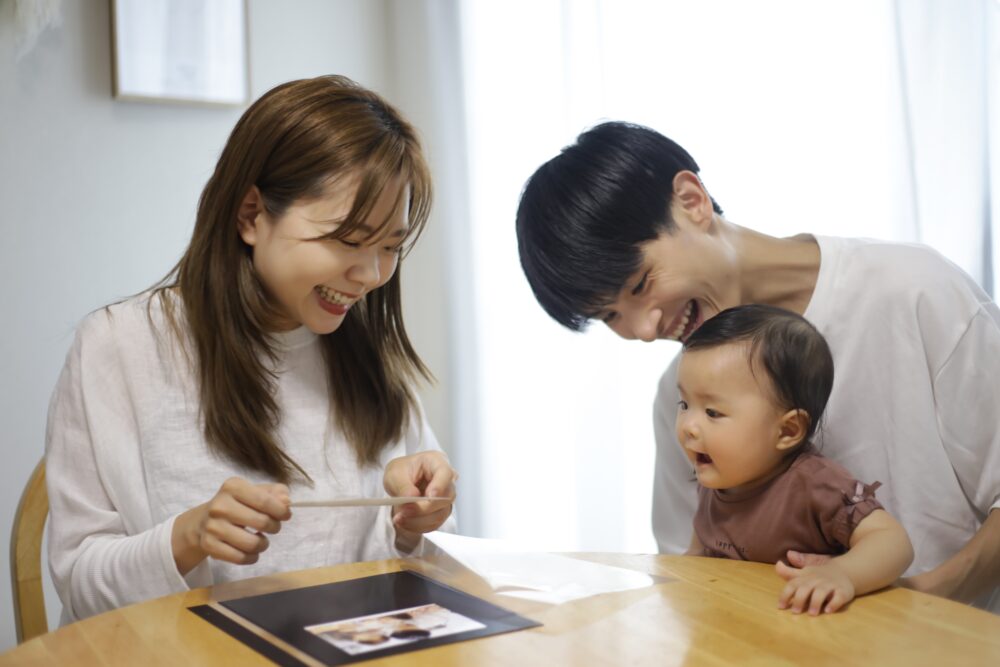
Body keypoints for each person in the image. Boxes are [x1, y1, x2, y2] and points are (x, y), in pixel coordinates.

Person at [515, 121, 1000, 612]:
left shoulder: (912, 292)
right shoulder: (681, 397)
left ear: (691, 201)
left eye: (640, 285)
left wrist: (918, 605)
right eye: (610, 316)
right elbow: (696, 574)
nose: (643, 330)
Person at [45, 75, 457, 623]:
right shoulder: (121, 349)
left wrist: (415, 525)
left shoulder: (366, 357)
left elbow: (434, 567)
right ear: (251, 215)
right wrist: (186, 539)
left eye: (391, 246)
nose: (371, 275)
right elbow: (80, 586)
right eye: (347, 241)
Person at [676, 304, 913, 614]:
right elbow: (699, 550)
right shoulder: (716, 474)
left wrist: (842, 573)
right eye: (684, 404)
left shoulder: (815, 484)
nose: (688, 426)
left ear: (787, 429)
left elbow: (893, 542)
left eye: (712, 412)